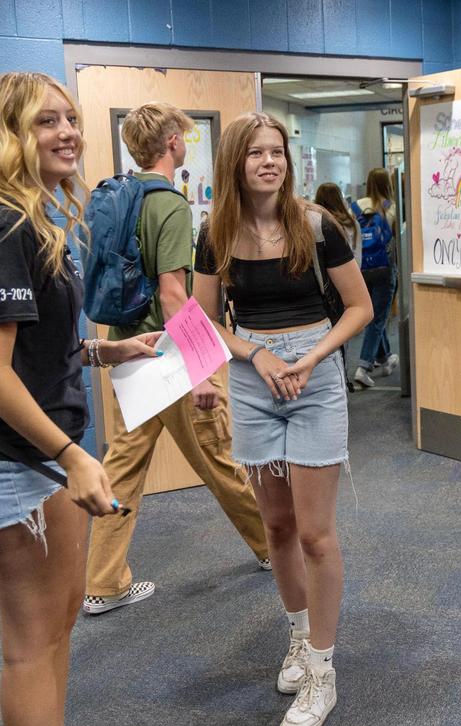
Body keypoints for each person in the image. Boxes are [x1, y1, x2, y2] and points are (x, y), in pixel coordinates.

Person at [0, 71, 161, 726]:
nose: (68, 132)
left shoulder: (32, 220)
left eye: (69, 118)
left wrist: (106, 351)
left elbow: (30, 349)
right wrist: (74, 455)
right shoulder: (2, 225)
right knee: (32, 646)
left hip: (40, 452)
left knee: (56, 626)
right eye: (44, 121)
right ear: (8, 135)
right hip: (14, 459)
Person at [192, 111, 372, 726]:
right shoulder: (214, 232)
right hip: (252, 379)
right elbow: (201, 322)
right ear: (235, 163)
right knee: (276, 524)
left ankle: (322, 671)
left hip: (315, 377)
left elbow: (360, 307)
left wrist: (313, 358)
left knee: (317, 533)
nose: (270, 162)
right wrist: (246, 359)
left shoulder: (317, 225)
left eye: (277, 152)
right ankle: (299, 635)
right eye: (256, 153)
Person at [83, 103, 270, 616]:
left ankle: (103, 582)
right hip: (168, 356)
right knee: (221, 458)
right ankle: (274, 549)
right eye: (183, 137)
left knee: (120, 469)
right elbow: (172, 294)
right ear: (172, 143)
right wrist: (202, 368)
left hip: (127, 354)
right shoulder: (167, 204)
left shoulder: (119, 196)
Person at [351, 167, 400, 388]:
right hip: (384, 269)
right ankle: (363, 366)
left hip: (361, 269)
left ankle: (385, 356)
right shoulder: (390, 208)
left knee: (372, 315)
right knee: (378, 317)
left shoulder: (356, 206)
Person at [314, 182, 361, 262]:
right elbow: (357, 255)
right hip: (349, 270)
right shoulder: (350, 222)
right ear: (339, 199)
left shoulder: (315, 223)